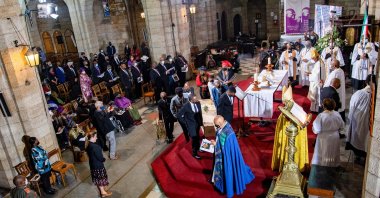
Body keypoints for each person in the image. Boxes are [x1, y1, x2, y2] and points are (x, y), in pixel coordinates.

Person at [210, 115, 255, 197]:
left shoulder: (228, 133)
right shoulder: (223, 126)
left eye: (216, 125)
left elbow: (225, 149)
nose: (216, 127)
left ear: (220, 123)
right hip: (222, 156)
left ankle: (228, 186)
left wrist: (215, 144)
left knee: (230, 170)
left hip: (227, 158)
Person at [271, 85, 309, 172]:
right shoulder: (284, 114)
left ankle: (293, 162)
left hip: (294, 123)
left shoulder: (294, 107)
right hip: (288, 124)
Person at [346, 74, 375, 163]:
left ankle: (357, 156)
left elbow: (352, 107)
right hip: (369, 124)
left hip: (357, 121)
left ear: (366, 82)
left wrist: (350, 119)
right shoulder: (375, 96)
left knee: (357, 139)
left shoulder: (359, 93)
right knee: (365, 140)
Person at [311, 98, 345, 167]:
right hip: (335, 136)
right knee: (333, 151)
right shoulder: (337, 114)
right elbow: (342, 126)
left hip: (324, 137)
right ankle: (333, 165)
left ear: (324, 106)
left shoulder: (321, 116)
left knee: (324, 151)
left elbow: (316, 129)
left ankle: (323, 166)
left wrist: (314, 129)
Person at [86, 132, 113, 197]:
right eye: (95, 136)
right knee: (101, 178)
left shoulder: (88, 145)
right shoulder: (96, 147)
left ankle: (103, 189)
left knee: (98, 178)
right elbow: (100, 158)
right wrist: (103, 159)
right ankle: (103, 192)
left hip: (93, 165)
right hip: (98, 166)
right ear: (92, 137)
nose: (97, 138)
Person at [177, 94, 203, 159]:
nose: (196, 100)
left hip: (197, 124)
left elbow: (199, 113)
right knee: (194, 139)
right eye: (195, 99)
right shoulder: (186, 106)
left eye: (196, 98)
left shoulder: (198, 103)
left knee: (197, 137)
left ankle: (198, 147)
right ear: (191, 100)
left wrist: (201, 122)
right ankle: (194, 153)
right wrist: (185, 123)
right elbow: (179, 115)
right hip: (191, 125)